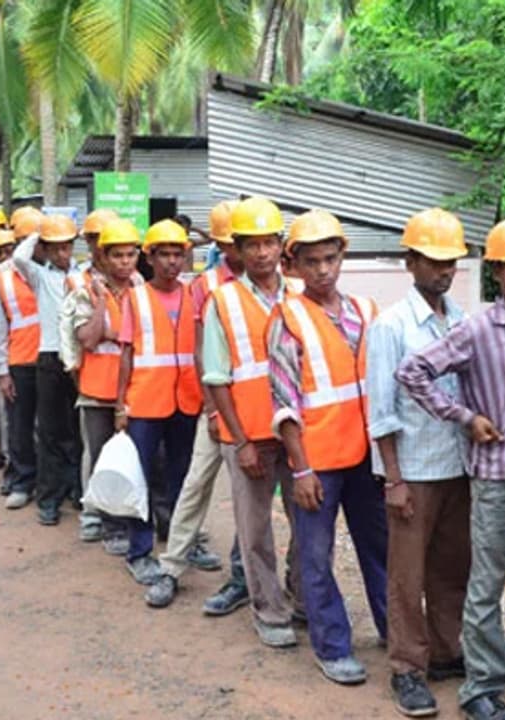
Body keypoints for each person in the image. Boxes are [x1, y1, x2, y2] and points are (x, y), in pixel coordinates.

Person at [398, 215, 505, 720]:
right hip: (495, 479)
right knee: (486, 584)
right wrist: (464, 417)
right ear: (497, 273)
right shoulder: (478, 329)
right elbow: (414, 371)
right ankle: (482, 686)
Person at [149, 198, 306, 650]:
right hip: (248, 430)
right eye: (250, 245)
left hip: (296, 434)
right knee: (252, 527)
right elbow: (213, 370)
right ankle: (264, 607)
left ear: (281, 246)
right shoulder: (220, 296)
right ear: (232, 248)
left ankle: (301, 598)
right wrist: (235, 435)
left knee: (307, 525)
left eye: (268, 243)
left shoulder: (299, 294)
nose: (260, 253)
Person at [269, 209, 387, 686]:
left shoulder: (366, 311)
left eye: (330, 259)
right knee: (316, 559)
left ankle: (393, 630)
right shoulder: (288, 318)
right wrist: (300, 469)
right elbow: (284, 400)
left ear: (343, 257)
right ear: (294, 265)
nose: (322, 270)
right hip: (317, 463)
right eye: (312, 261)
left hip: (364, 460)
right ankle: (333, 646)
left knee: (379, 550)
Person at [368, 208, 471, 718]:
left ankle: (447, 650)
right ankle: (408, 666)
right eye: (433, 261)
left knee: (452, 568)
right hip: (412, 469)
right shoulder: (390, 326)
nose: (443, 270)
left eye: (450, 261)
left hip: (457, 466)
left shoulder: (462, 320)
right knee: (407, 576)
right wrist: (393, 479)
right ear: (410, 262)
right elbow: (382, 410)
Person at [147, 199, 259, 613]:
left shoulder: (274, 284)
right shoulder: (206, 286)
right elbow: (200, 353)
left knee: (253, 500)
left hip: (261, 412)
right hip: (219, 408)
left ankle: (243, 575)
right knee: (196, 484)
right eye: (234, 243)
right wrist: (213, 411)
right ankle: (172, 567)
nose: (244, 250)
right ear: (220, 243)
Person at [113, 219, 202, 584]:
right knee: (142, 478)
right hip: (146, 403)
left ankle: (182, 545)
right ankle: (139, 550)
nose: (170, 262)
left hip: (187, 401)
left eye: (176, 254)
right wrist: (121, 405)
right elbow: (126, 355)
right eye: (163, 254)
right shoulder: (136, 297)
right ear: (149, 258)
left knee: (184, 478)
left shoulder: (193, 294)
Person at [69, 219, 142, 550]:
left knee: (132, 457)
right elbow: (87, 339)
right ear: (104, 257)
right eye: (118, 256)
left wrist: (114, 334)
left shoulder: (142, 289)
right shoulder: (86, 290)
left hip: (135, 388)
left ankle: (127, 515)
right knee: (98, 454)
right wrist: (100, 304)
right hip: (98, 387)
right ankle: (97, 517)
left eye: (130, 254)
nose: (125, 262)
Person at [12, 214, 83, 526]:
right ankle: (49, 498)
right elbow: (18, 257)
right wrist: (39, 231)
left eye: (66, 247)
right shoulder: (39, 276)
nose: (61, 254)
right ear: (45, 249)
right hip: (49, 358)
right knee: (51, 430)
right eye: (54, 248)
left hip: (79, 358)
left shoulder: (84, 275)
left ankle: (77, 489)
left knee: (78, 429)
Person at [0, 211, 44, 509]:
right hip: (20, 360)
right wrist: (2, 370)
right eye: (28, 240)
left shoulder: (58, 270)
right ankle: (23, 481)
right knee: (20, 426)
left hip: (53, 360)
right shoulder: (3, 276)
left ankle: (54, 482)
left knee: (54, 428)